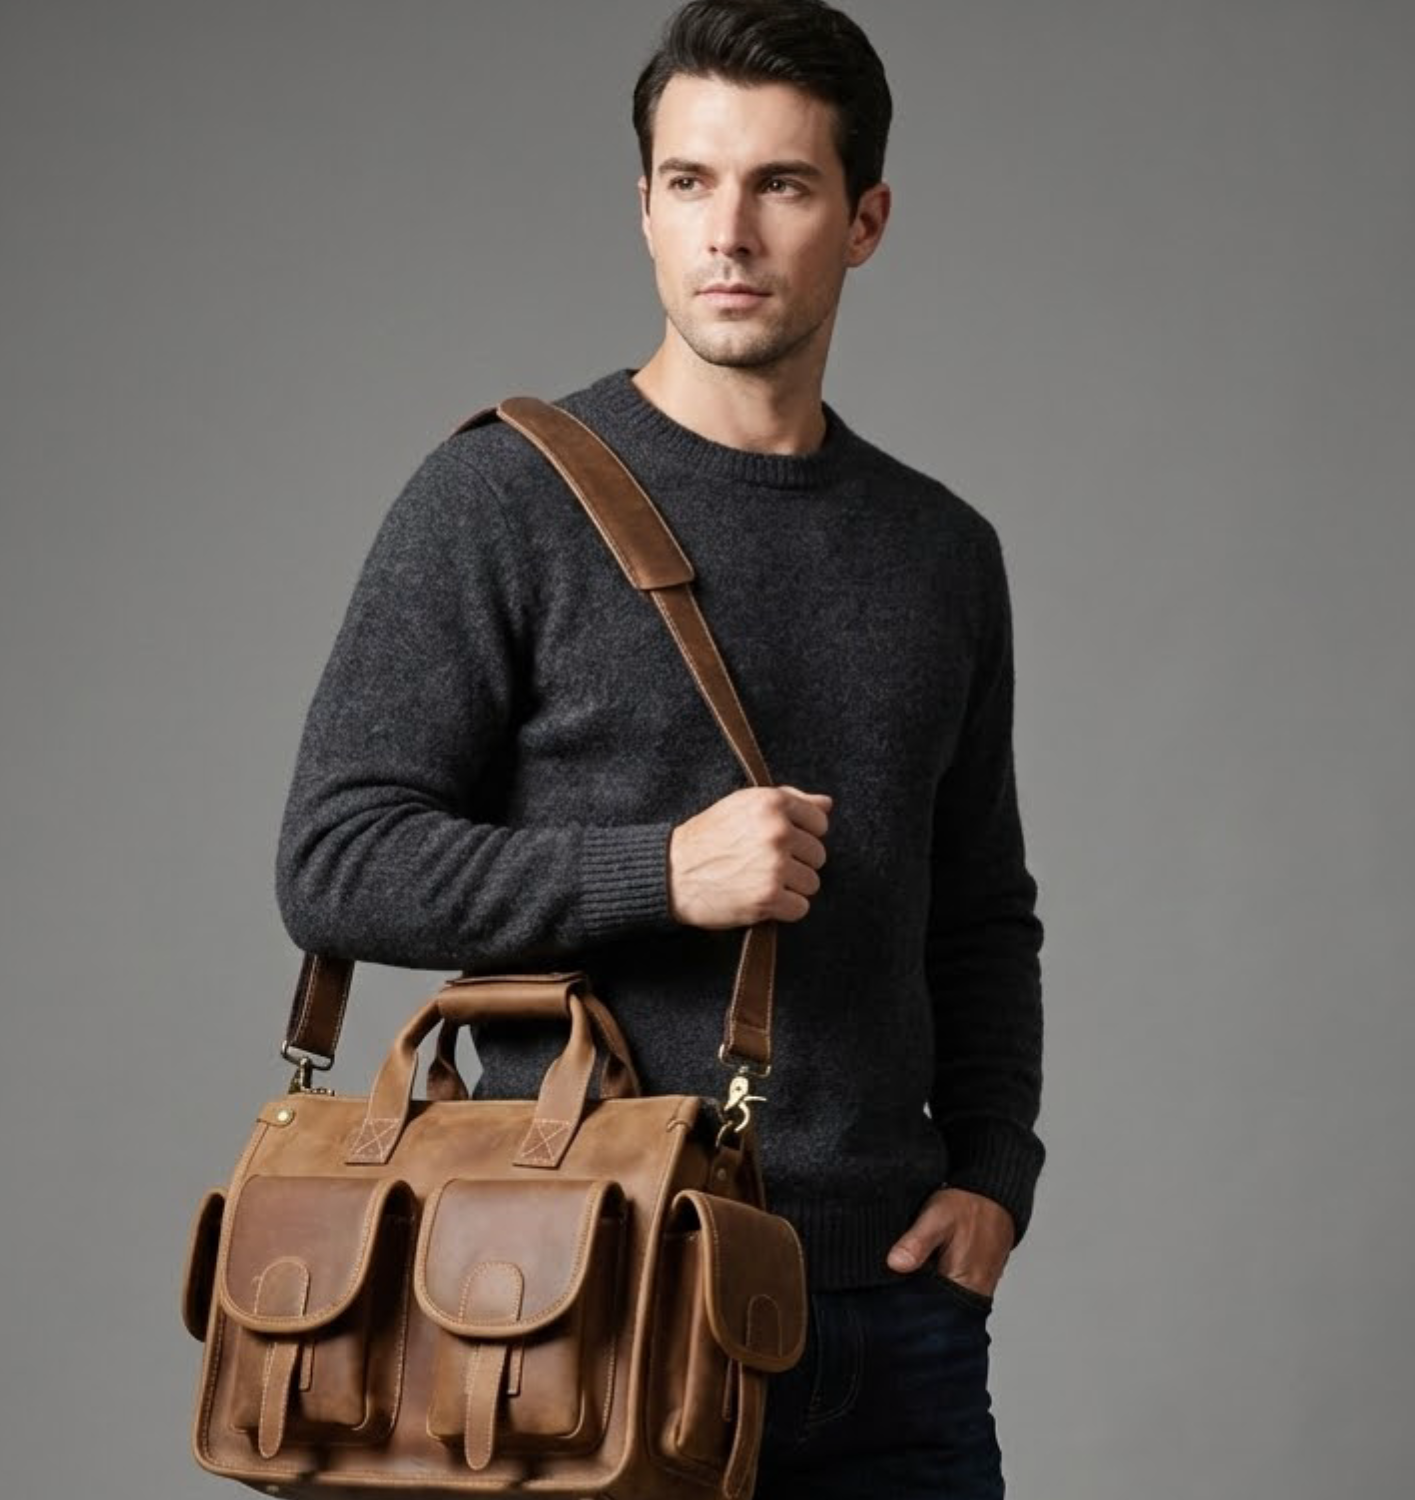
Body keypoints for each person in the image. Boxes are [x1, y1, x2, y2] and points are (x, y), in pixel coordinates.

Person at [274, 2, 1044, 1494]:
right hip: (578, 1294)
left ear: (866, 219)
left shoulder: (944, 553)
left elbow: (979, 911)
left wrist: (993, 1176)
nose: (729, 233)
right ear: (642, 207)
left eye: (783, 186)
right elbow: (334, 858)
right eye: (689, 183)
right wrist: (661, 871)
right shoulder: (502, 501)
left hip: (887, 1312)